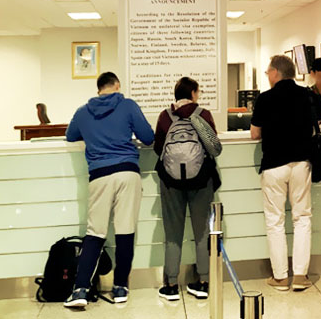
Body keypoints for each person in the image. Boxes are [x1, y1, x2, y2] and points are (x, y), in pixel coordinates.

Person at [63, 72, 155, 308]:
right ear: (117, 86)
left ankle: (81, 289)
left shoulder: (83, 111)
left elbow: (70, 135)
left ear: (98, 89)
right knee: (125, 230)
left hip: (99, 176)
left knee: (95, 232)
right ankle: (120, 287)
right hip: (127, 172)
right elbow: (148, 137)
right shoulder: (127, 105)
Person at [250, 55, 321, 292]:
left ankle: (279, 277)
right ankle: (300, 276)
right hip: (302, 164)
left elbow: (255, 134)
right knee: (302, 218)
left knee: (275, 221)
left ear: (276, 72)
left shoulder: (265, 98)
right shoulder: (307, 95)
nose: (267, 75)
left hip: (274, 165)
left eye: (268, 72)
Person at [154, 77, 222, 301]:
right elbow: (214, 148)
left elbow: (158, 149)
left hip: (171, 182)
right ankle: (203, 282)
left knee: (173, 234)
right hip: (201, 180)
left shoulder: (165, 116)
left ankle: (172, 284)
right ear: (193, 92)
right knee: (202, 231)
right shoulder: (203, 115)